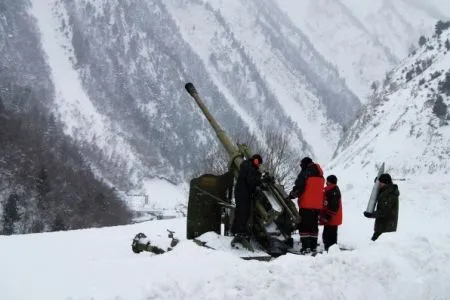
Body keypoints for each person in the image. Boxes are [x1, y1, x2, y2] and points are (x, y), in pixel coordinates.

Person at [288, 157, 324, 254]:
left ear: (305, 164)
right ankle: (313, 247)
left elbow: (299, 187)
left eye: (301, 165)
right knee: (313, 227)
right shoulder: (320, 175)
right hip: (317, 206)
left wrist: (291, 195)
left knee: (304, 226)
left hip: (306, 205)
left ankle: (306, 248)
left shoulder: (305, 172)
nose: (301, 167)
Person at [231, 154, 263, 250]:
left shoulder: (250, 167)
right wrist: (260, 181)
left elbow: (254, 178)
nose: (258, 164)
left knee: (245, 212)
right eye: (258, 162)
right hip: (242, 192)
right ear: (255, 160)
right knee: (242, 212)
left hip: (245, 193)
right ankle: (239, 233)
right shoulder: (248, 166)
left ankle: (239, 231)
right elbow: (251, 181)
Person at [364, 173, 399, 241]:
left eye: (380, 183)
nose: (379, 185)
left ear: (385, 183)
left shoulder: (388, 194)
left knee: (375, 245)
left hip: (386, 227)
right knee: (374, 244)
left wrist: (370, 214)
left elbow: (384, 212)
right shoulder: (386, 191)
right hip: (384, 225)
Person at [320, 175, 343, 251]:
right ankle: (329, 249)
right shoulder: (331, 190)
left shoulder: (333, 191)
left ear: (330, 182)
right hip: (331, 218)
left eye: (327, 181)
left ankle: (331, 250)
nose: (326, 183)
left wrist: (328, 216)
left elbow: (334, 206)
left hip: (332, 218)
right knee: (327, 235)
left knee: (330, 236)